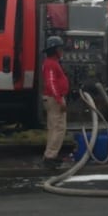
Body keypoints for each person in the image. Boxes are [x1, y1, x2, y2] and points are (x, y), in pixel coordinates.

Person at [40, 35, 70, 170]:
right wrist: (59, 100)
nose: (62, 51)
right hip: (54, 99)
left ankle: (50, 155)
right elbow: (51, 83)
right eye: (60, 48)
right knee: (58, 128)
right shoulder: (51, 64)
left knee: (53, 128)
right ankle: (50, 157)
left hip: (52, 98)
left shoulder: (51, 63)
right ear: (54, 50)